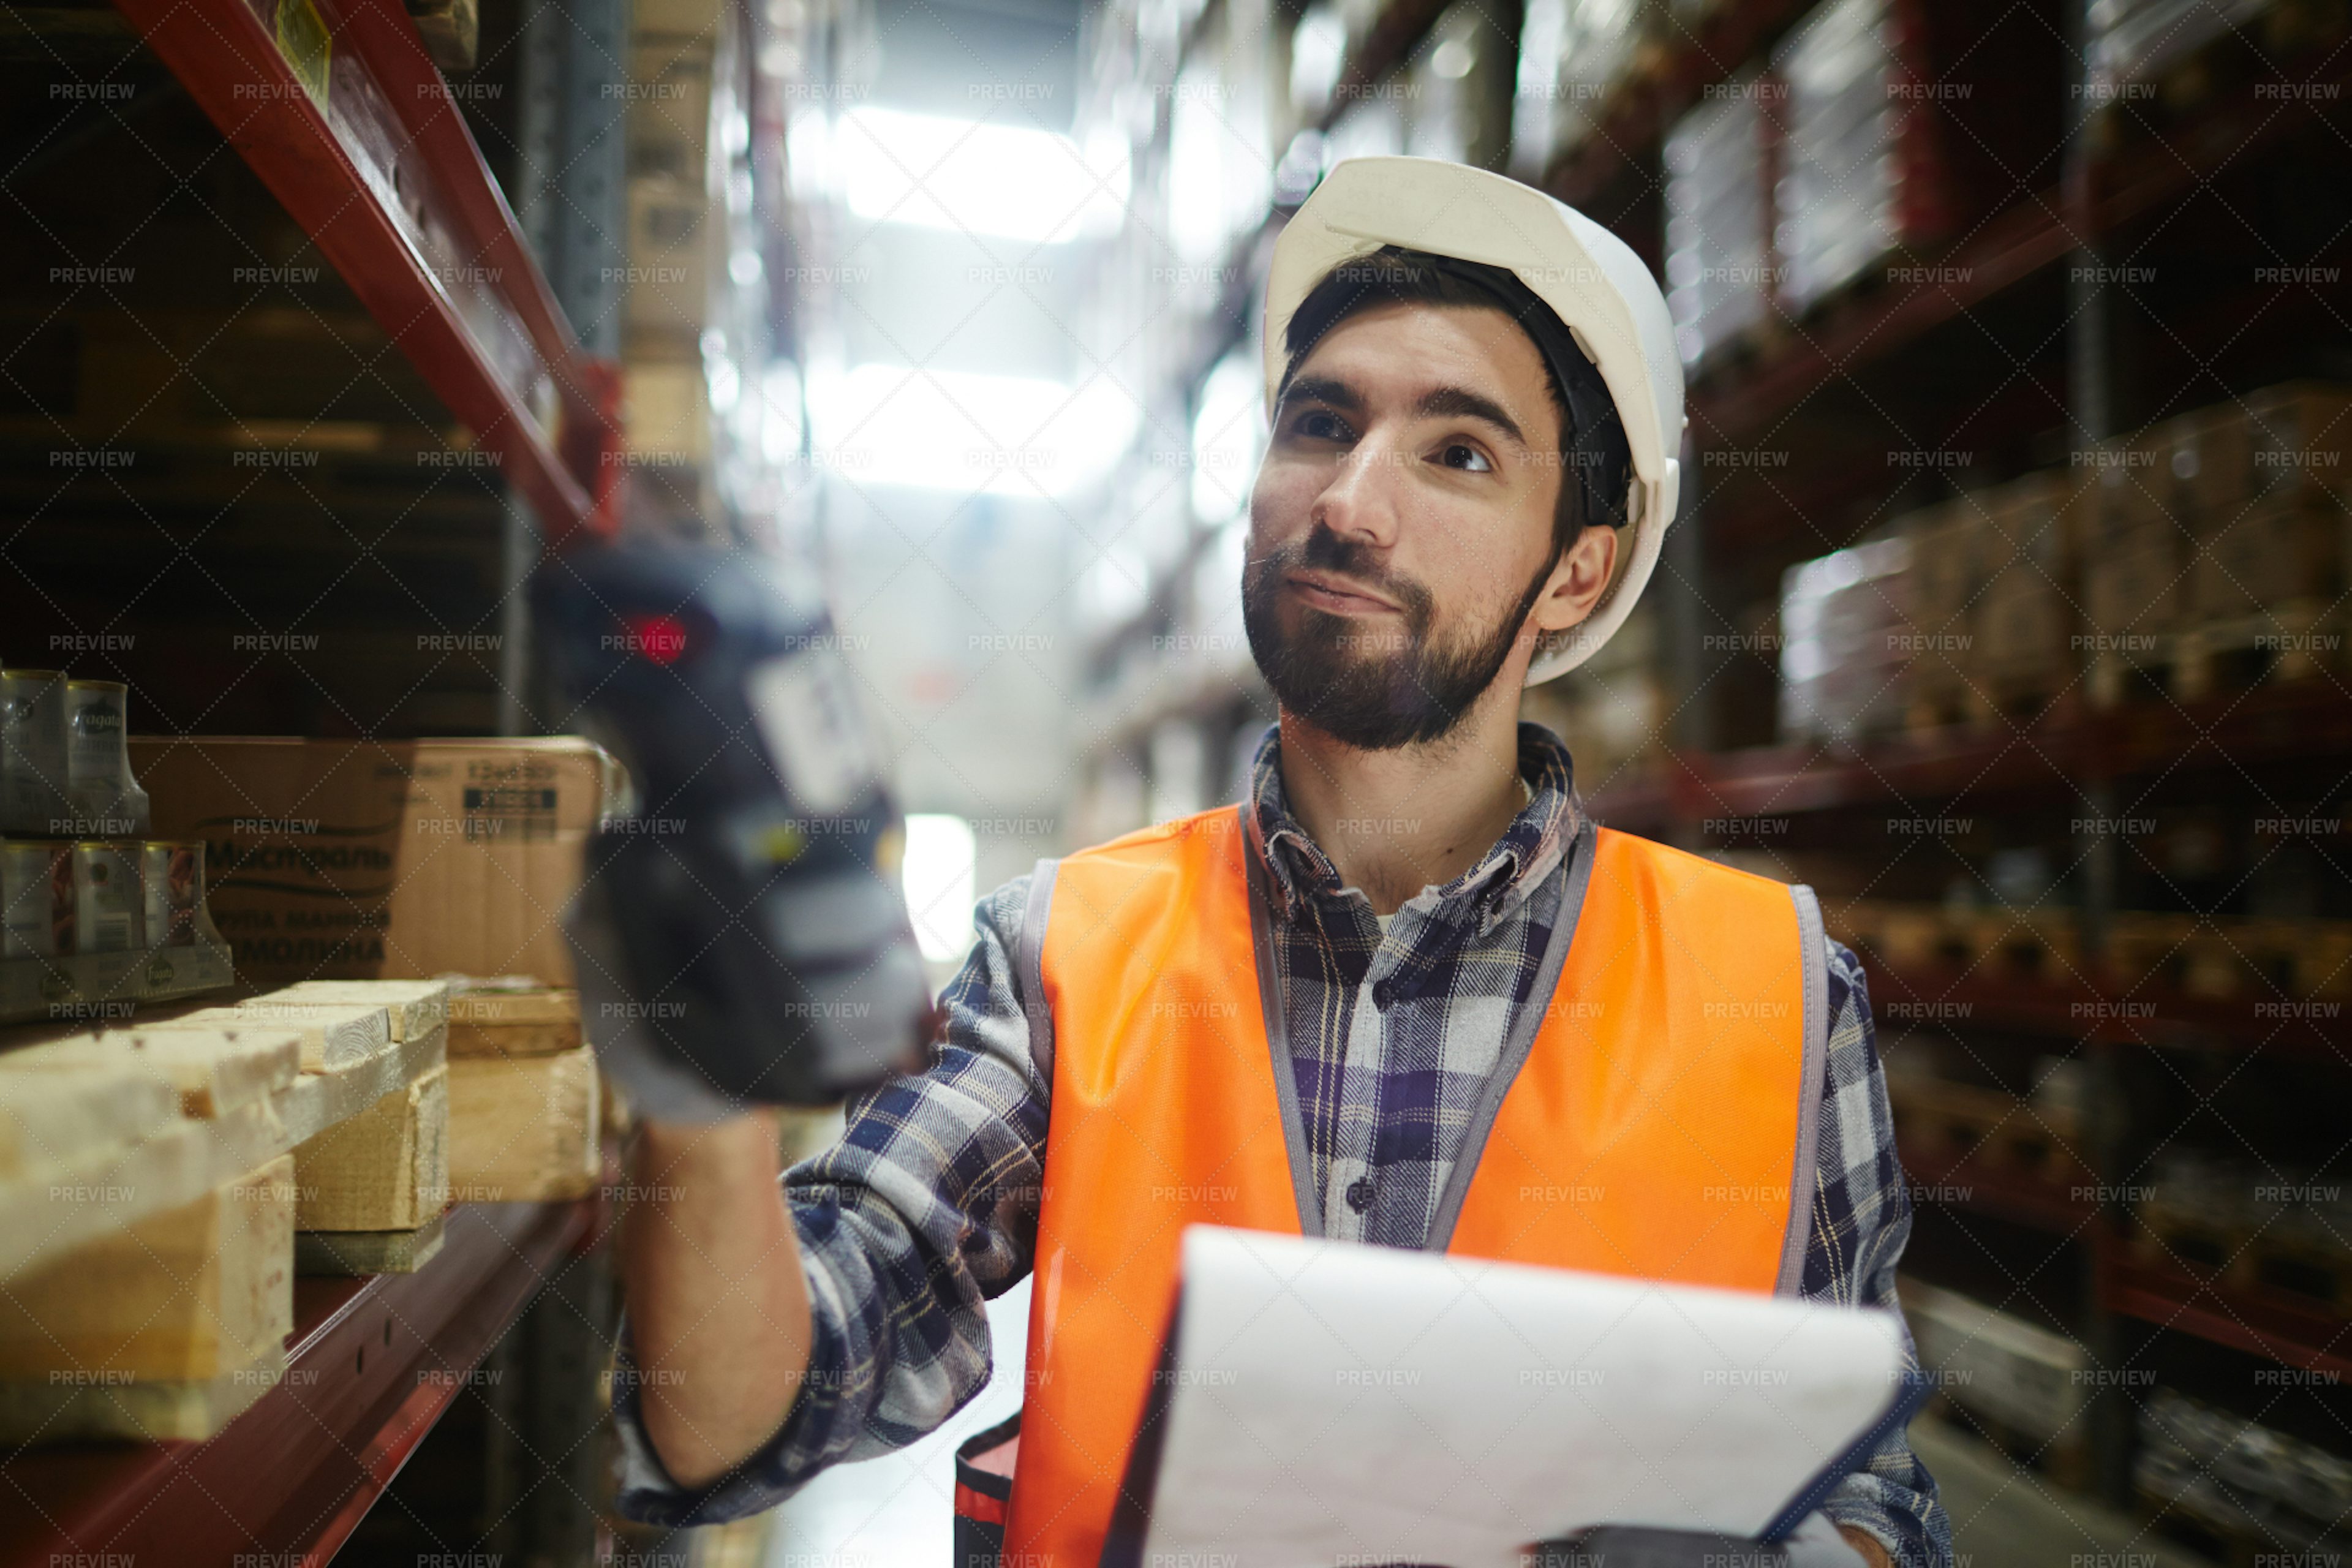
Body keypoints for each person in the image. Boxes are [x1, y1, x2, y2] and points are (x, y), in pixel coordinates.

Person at [603, 156, 1952, 1568]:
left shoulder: (1780, 996)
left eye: (1459, 454)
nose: (1353, 502)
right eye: (1321, 423)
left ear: (1577, 574)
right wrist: (701, 1096)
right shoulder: (1067, 950)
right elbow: (736, 1418)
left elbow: (1878, 1502)